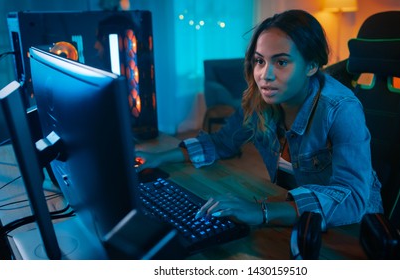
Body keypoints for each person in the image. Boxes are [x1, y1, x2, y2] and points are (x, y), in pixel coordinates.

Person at [136, 9, 383, 230]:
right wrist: (158, 158)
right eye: (259, 61)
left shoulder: (340, 109)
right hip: (291, 213)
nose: (265, 75)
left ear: (311, 66)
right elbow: (222, 142)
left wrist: (262, 211)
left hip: (351, 228)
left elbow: (352, 199)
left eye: (281, 62)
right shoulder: (260, 99)